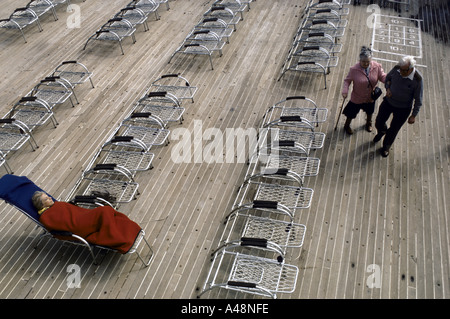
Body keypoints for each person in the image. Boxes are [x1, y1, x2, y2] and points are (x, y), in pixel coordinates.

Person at [32, 191, 142, 254]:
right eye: (46, 199)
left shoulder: (56, 204)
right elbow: (62, 225)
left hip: (83, 217)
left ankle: (122, 231)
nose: (50, 198)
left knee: (106, 212)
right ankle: (118, 236)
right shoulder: (46, 217)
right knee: (104, 211)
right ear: (41, 205)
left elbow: (74, 210)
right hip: (79, 226)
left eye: (48, 196)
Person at [373, 56, 423, 157]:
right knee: (379, 121)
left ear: (411, 69)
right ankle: (382, 131)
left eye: (404, 70)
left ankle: (386, 146)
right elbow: (388, 78)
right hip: (388, 101)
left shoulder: (417, 79)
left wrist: (413, 115)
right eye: (400, 69)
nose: (401, 72)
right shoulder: (397, 69)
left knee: (394, 129)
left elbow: (418, 99)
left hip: (403, 109)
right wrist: (387, 88)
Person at [341, 46, 387, 134]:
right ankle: (346, 126)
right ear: (359, 60)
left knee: (370, 111)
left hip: (370, 97)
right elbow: (347, 81)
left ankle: (368, 123)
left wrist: (389, 80)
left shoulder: (377, 66)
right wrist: (345, 91)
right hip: (357, 97)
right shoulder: (354, 69)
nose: (366, 64)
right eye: (363, 62)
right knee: (351, 113)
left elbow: (382, 77)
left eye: (368, 62)